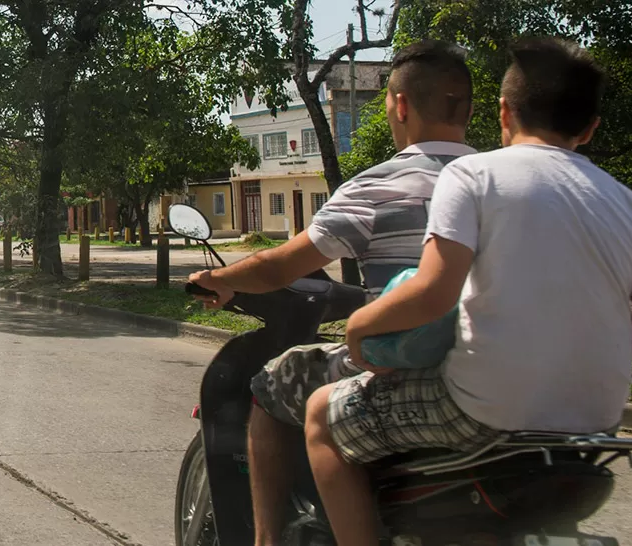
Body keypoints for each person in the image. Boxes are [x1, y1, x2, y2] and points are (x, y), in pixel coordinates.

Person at [303, 37, 632, 546]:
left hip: (483, 410)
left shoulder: (474, 174)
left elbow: (433, 292)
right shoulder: (629, 205)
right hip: (594, 419)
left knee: (322, 414)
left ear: (503, 112)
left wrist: (358, 328)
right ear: (590, 129)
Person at [188, 40, 477, 546]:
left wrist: (223, 279)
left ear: (401, 106)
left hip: (403, 369)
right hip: (485, 368)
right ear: (471, 110)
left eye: (387, 104)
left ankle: (265, 540)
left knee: (270, 384)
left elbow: (282, 264)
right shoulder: (500, 182)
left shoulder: (380, 185)